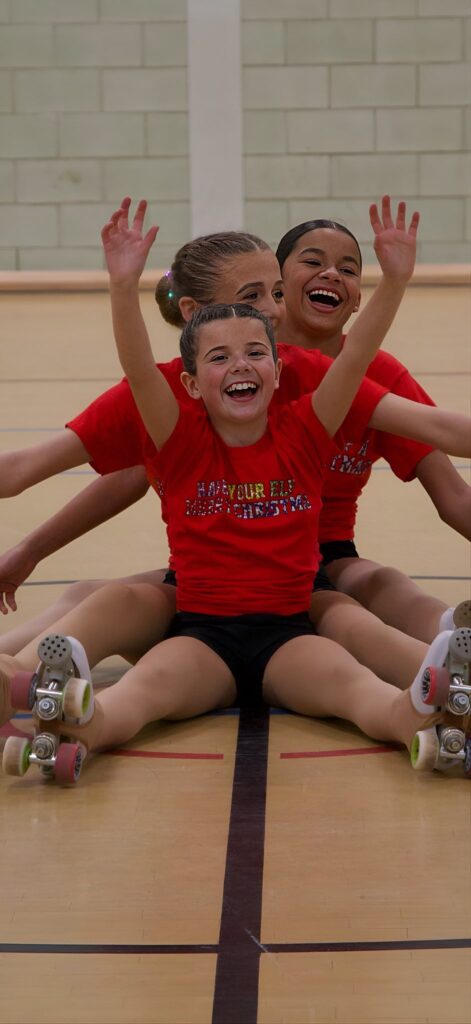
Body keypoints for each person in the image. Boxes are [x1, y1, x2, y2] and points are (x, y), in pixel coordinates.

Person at [1, 199, 469, 780]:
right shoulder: (174, 423)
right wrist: (121, 287)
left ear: (277, 367)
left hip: (295, 614)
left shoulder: (307, 411)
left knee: (358, 654)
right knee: (120, 643)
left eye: (273, 298)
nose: (271, 313)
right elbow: (132, 392)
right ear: (192, 381)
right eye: (223, 352)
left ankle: (438, 690)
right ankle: (50, 699)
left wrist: (395, 281)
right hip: (203, 626)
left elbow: (361, 359)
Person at [276, 220, 471, 644]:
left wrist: (396, 279)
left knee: (381, 584)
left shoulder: (381, 374)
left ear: (357, 302)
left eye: (348, 269)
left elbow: (455, 496)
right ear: (277, 285)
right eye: (313, 261)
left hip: (330, 555)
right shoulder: (244, 367)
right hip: (235, 556)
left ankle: (451, 636)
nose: (331, 274)